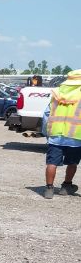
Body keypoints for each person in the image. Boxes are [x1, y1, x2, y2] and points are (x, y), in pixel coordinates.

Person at [43, 69, 81, 199]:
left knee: (52, 163)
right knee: (72, 163)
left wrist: (46, 132)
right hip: (76, 136)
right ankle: (66, 186)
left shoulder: (57, 93)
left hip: (56, 134)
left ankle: (49, 189)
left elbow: (47, 114)